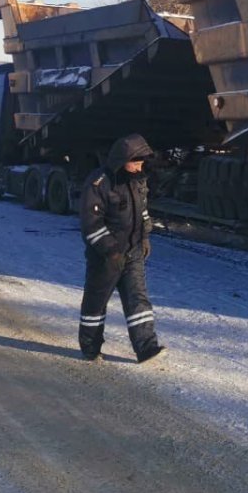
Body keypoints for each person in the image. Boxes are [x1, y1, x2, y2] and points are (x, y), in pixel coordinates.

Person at [77, 133, 166, 363]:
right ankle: (90, 348)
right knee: (96, 303)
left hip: (133, 252)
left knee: (138, 300)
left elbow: (143, 212)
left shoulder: (138, 181)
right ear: (121, 159)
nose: (139, 167)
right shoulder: (99, 183)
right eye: (135, 162)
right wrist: (110, 251)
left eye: (141, 162)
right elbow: (91, 223)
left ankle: (147, 348)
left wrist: (145, 236)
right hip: (105, 257)